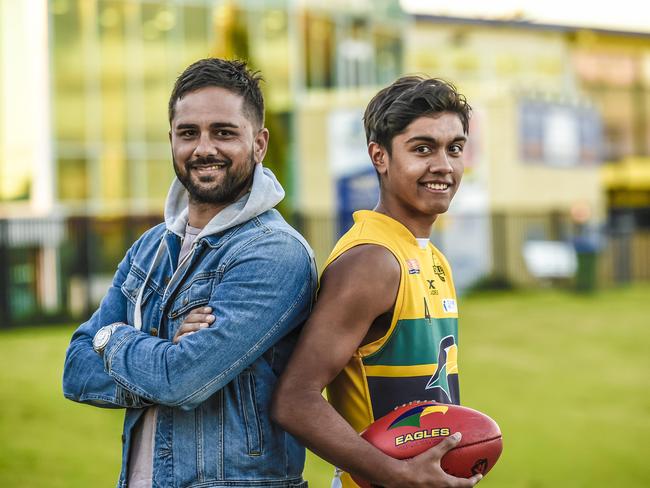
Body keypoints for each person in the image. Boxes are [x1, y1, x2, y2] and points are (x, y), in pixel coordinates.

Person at [63, 58, 317, 488]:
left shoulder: (274, 253)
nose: (204, 148)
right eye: (188, 133)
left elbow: (181, 381)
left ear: (259, 143)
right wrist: (164, 350)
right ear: (171, 141)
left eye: (223, 132)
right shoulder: (151, 247)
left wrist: (113, 337)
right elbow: (75, 369)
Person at [272, 76, 482, 487]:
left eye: (454, 148)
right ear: (379, 156)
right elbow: (294, 400)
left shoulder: (432, 258)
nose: (443, 165)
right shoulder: (371, 260)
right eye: (422, 148)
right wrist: (398, 475)